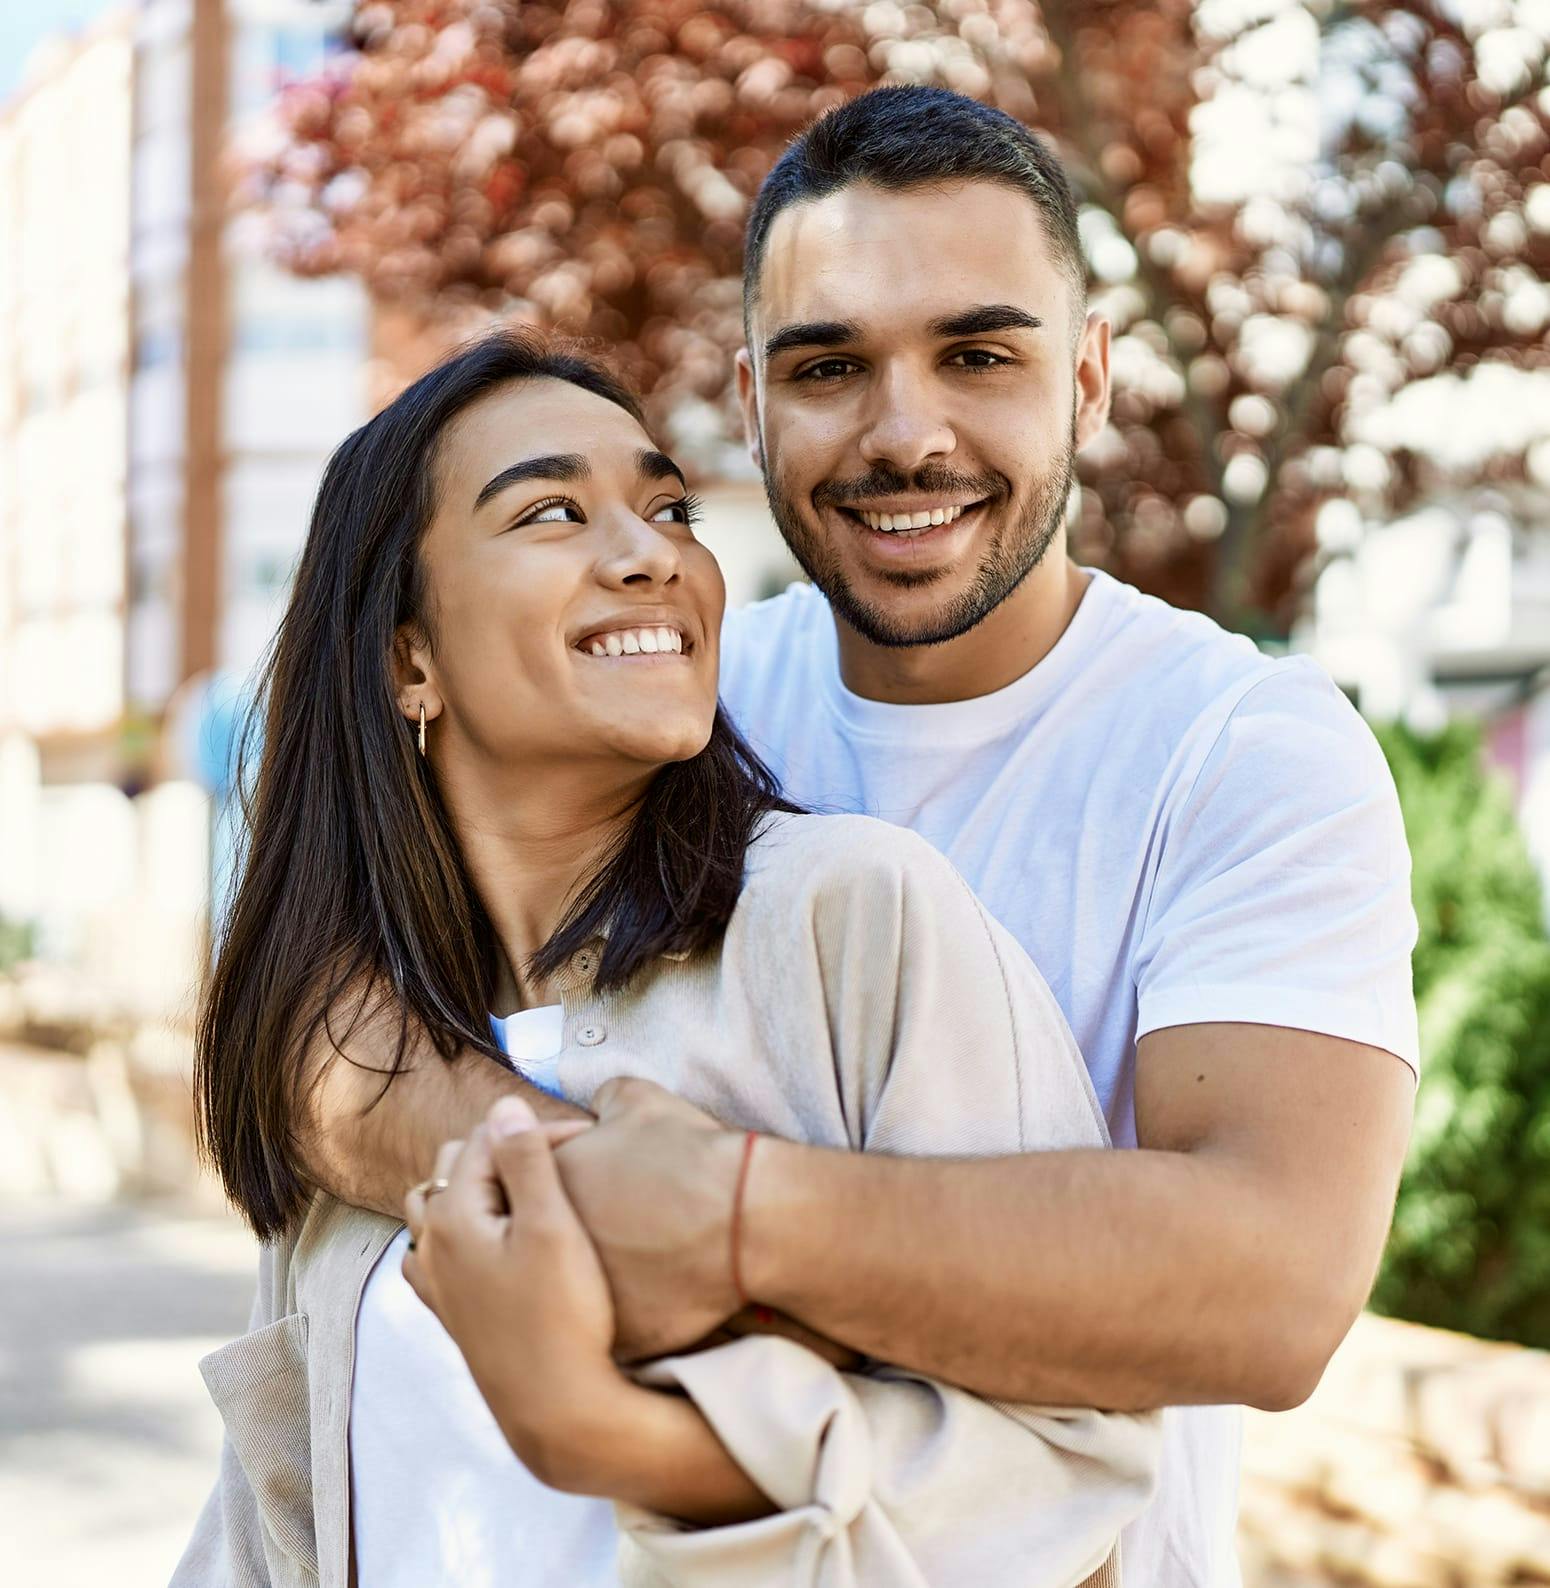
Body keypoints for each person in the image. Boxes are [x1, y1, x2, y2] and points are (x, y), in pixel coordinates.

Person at [297, 86, 1420, 1587]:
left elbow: (1271, 1293)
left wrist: (734, 1217)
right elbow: (319, 997)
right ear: (751, 408)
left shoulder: (1242, 752)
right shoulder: (682, 692)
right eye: (829, 367)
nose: (905, 434)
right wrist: (568, 1188)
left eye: (978, 354)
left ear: (1086, 379)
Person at [174, 329, 1159, 1588]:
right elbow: (271, 1528)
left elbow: (1054, 1478)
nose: (650, 554)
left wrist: (610, 1437)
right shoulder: (359, 1052)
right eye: (549, 511)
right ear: (407, 658)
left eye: (666, 507)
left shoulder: (846, 918)